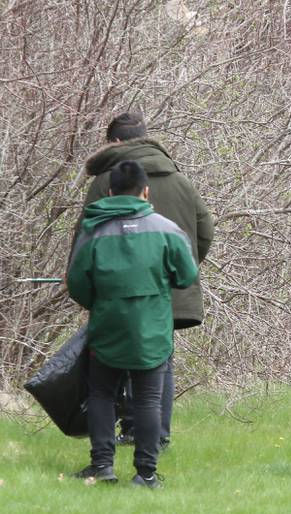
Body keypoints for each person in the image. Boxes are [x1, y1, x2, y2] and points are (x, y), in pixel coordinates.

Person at [76, 112, 214, 448]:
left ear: (118, 143)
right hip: (168, 293)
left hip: (115, 294)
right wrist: (176, 269)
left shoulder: (105, 181)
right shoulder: (180, 180)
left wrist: (92, 288)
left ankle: (116, 445)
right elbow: (206, 230)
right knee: (159, 364)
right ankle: (155, 441)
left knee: (110, 369)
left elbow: (84, 238)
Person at [68, 160, 198, 487]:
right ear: (146, 192)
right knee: (148, 400)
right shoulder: (167, 230)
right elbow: (187, 276)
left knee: (101, 394)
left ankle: (102, 466)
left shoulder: (93, 230)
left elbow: (77, 281)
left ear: (110, 192)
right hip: (152, 329)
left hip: (107, 328)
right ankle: (146, 473)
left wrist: (100, 304)